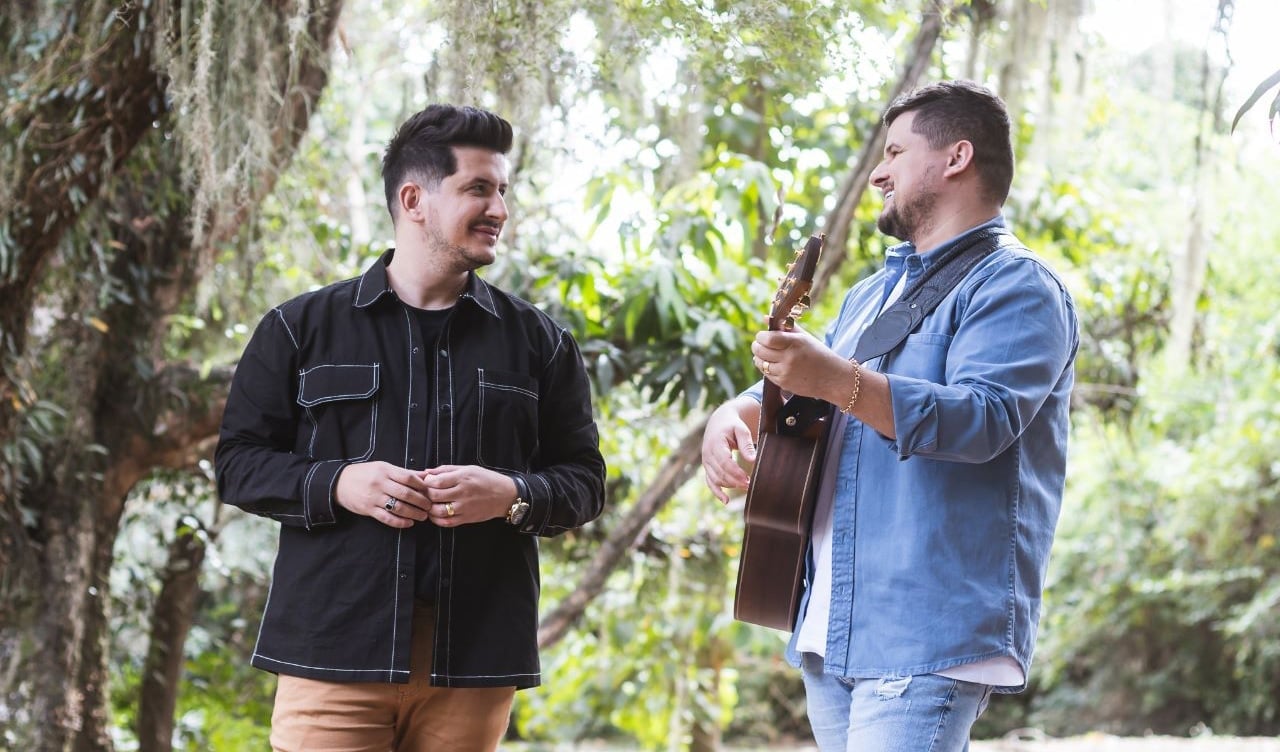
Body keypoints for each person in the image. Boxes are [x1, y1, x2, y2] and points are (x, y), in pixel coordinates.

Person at [215, 104, 606, 752]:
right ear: (414, 198)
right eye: (479, 188)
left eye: (503, 190)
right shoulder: (298, 327)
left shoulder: (541, 343)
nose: (500, 208)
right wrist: (340, 483)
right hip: (331, 654)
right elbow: (237, 464)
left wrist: (509, 494)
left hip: (473, 663)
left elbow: (585, 481)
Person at [701, 80, 1078, 751]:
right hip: (830, 627)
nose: (878, 171)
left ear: (956, 157)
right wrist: (739, 411)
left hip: (926, 629)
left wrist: (836, 377)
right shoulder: (873, 292)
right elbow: (818, 390)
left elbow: (983, 420)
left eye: (896, 152)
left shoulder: (1018, 286)